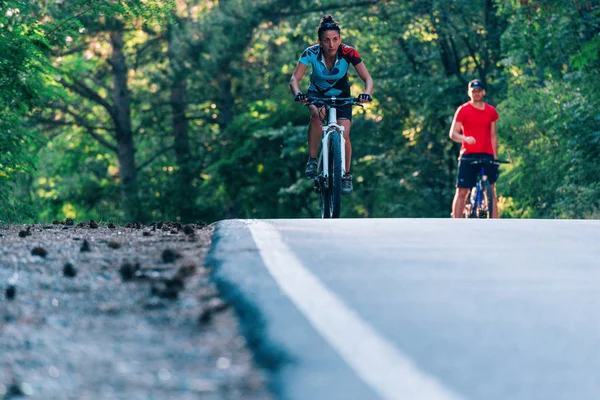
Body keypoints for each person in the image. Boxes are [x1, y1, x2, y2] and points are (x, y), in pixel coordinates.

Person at [289, 15, 373, 195]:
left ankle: (347, 175)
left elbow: (367, 78)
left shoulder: (349, 52)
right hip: (316, 94)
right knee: (317, 115)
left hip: (342, 96)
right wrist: (298, 94)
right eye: (326, 40)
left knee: (345, 134)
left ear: (340, 39)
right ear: (319, 41)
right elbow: (295, 79)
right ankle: (312, 160)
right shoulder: (310, 53)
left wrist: (366, 94)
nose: (331, 44)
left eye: (335, 39)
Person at [449, 79, 500, 218]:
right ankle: (456, 222)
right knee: (462, 190)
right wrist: (465, 139)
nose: (476, 94)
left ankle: (496, 222)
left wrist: (495, 156)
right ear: (469, 93)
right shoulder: (463, 110)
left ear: (483, 92)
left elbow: (493, 135)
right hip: (469, 153)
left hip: (487, 153)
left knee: (490, 190)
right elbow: (453, 133)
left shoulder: (491, 111)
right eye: (473, 91)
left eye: (478, 91)